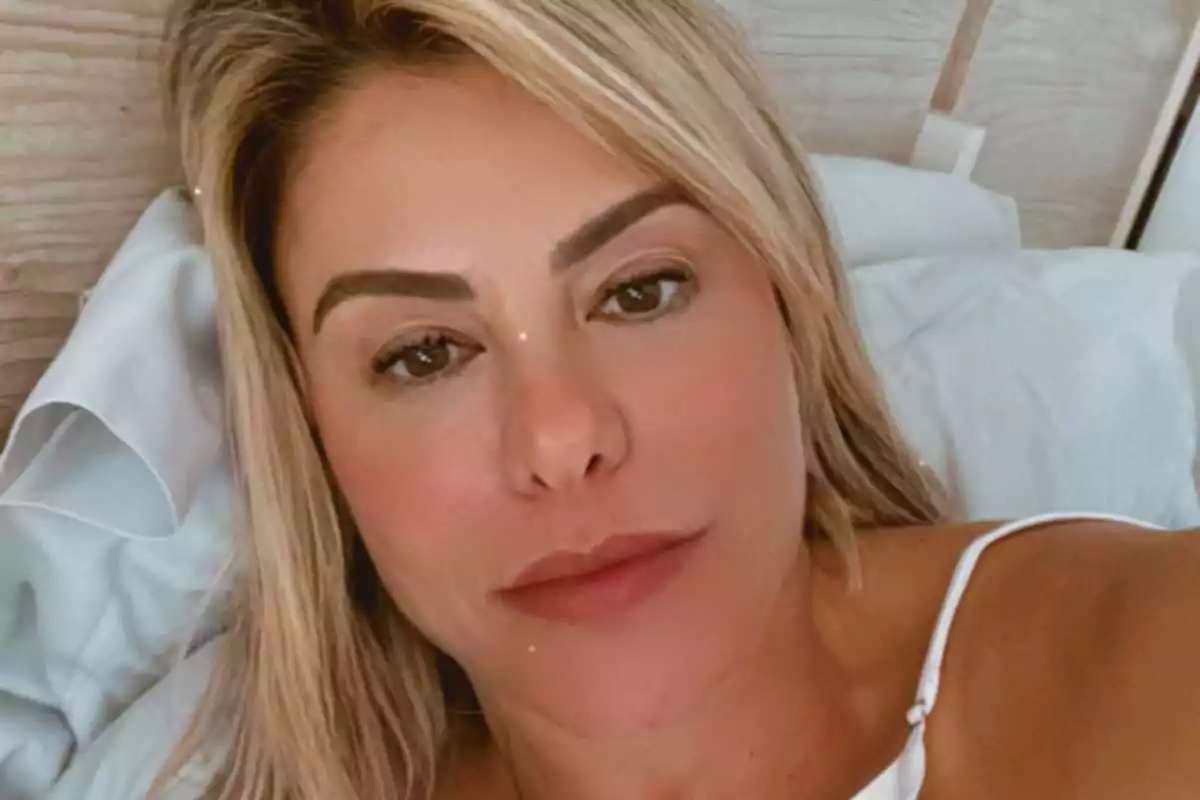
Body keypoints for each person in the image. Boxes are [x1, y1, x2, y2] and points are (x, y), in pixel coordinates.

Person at [155, 1, 1200, 797]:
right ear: (312, 436)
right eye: (425, 354)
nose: (561, 438)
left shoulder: (1134, 667)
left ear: (787, 296)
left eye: (639, 291)